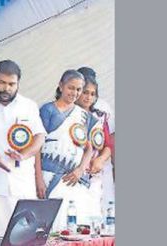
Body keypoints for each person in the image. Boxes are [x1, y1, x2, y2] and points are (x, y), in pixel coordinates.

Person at [0, 60, 46, 239]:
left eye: (11, 84)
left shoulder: (28, 105)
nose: (6, 88)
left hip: (23, 185)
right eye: (2, 83)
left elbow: (39, 137)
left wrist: (23, 155)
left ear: (18, 84)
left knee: (24, 238)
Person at [35, 70, 98, 231]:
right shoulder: (47, 110)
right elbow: (38, 146)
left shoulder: (84, 115)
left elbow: (89, 148)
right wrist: (39, 178)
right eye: (71, 88)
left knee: (76, 227)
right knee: (55, 227)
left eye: (79, 89)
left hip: (74, 178)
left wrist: (80, 170)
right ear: (61, 86)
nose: (75, 93)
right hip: (50, 176)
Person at [75, 76, 115, 215]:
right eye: (85, 92)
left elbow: (108, 145)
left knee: (91, 215)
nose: (88, 97)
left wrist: (100, 159)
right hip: (72, 173)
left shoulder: (99, 117)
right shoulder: (66, 113)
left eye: (93, 94)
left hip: (93, 174)